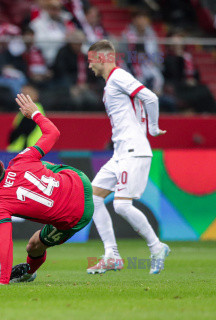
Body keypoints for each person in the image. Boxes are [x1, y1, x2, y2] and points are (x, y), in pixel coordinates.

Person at [0, 94, 94, 284]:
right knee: (38, 164)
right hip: (80, 180)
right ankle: (26, 274)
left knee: (34, 246)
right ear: (1, 164)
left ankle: (27, 275)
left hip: (77, 215)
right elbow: (53, 133)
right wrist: (35, 114)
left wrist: (3, 280)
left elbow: (5, 241)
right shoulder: (20, 159)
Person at [86, 40, 170, 275]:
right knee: (93, 198)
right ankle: (111, 255)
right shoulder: (112, 82)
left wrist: (153, 128)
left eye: (91, 59)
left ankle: (156, 247)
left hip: (133, 151)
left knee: (122, 206)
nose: (89, 65)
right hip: (121, 152)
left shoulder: (119, 76)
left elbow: (151, 98)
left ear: (103, 58)